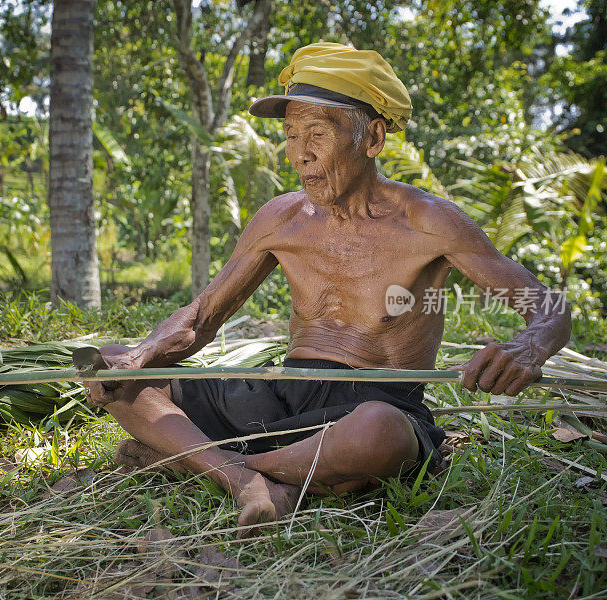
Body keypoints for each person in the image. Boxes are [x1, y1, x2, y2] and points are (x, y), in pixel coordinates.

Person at [83, 42, 572, 532]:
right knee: (111, 366)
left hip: (371, 407)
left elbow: (546, 305)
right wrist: (140, 355)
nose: (301, 154)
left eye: (317, 133)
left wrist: (528, 347)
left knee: (379, 434)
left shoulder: (429, 222)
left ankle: (203, 461)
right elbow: (202, 316)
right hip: (282, 395)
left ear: (373, 137)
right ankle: (252, 479)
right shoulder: (282, 217)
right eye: (292, 135)